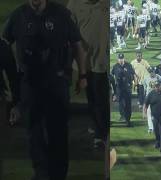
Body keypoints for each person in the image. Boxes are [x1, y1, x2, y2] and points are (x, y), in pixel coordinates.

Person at [2, 0, 88, 179]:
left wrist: (82, 75)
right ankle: (41, 173)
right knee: (34, 132)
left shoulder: (61, 14)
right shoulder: (18, 15)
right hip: (30, 82)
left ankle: (58, 174)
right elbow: (4, 44)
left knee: (58, 130)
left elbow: (77, 45)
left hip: (56, 81)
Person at [67, 0, 108, 149]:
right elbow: (69, 32)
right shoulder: (74, 5)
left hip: (104, 59)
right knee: (94, 96)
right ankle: (99, 129)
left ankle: (100, 131)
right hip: (86, 61)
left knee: (100, 96)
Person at [112, 53, 135, 127]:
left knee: (128, 103)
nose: (121, 60)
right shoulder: (115, 66)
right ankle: (122, 116)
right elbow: (112, 75)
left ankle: (128, 119)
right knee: (121, 103)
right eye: (119, 58)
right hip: (119, 87)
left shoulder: (129, 65)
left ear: (124, 58)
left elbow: (133, 74)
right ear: (118, 59)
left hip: (127, 87)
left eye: (122, 58)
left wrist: (134, 84)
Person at [143, 66, 161, 133]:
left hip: (158, 97)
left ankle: (159, 126)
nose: (151, 73)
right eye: (150, 72)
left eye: (152, 72)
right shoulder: (146, 78)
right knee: (149, 113)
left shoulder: (159, 77)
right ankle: (151, 128)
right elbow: (145, 88)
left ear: (154, 71)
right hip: (149, 98)